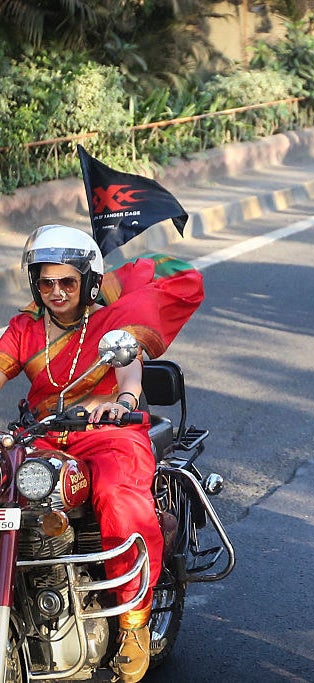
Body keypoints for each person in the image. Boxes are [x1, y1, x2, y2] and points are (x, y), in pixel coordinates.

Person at [0, 225, 204, 682]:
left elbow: (129, 377)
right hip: (44, 436)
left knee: (117, 495)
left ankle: (133, 622)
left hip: (109, 431)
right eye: (46, 282)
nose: (56, 292)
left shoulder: (114, 320)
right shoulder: (24, 328)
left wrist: (124, 403)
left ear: (88, 281)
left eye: (68, 281)